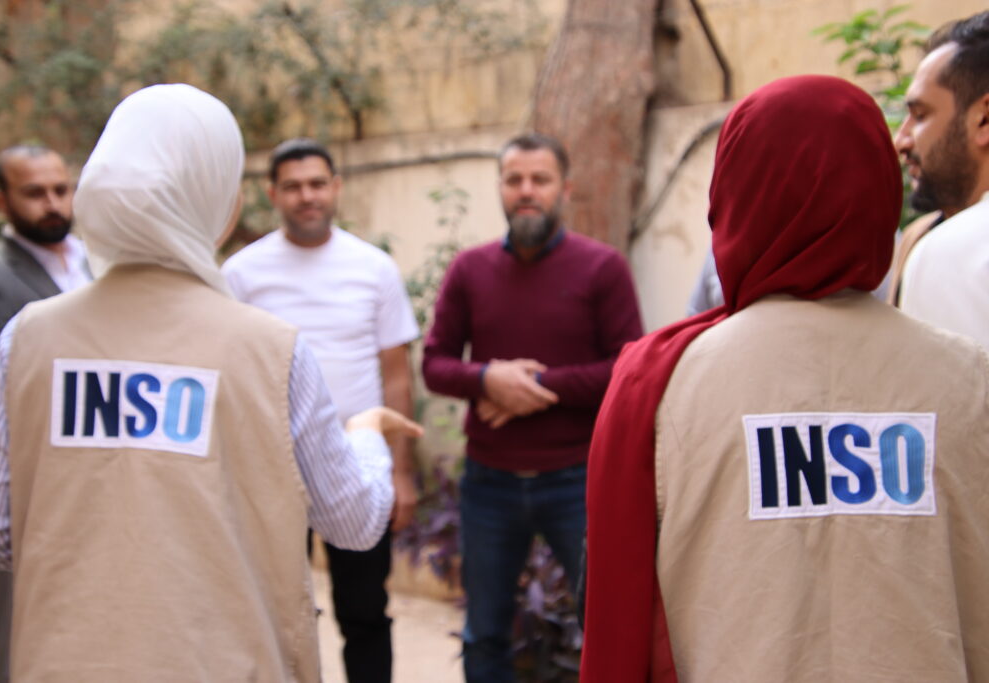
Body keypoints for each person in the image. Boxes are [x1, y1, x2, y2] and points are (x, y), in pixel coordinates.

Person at [0, 84, 421, 682]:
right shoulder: (268, 347)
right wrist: (364, 433)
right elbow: (354, 523)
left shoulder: (28, 338)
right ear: (218, 200)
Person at [581, 74, 989, 682]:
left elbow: (621, 627)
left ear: (733, 199)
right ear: (878, 195)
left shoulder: (662, 386)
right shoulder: (972, 380)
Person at [422, 132, 643, 682]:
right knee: (485, 633)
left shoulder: (603, 268)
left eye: (539, 180)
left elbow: (627, 368)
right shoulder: (468, 270)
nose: (526, 191)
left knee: (608, 625)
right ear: (500, 187)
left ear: (564, 189)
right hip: (488, 484)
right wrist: (486, 377)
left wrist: (535, 387)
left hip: (577, 480)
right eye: (514, 179)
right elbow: (434, 364)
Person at [222, 138, 419, 683]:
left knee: (364, 613)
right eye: (292, 186)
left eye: (316, 184)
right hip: (269, 472)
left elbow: (397, 374)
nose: (306, 196)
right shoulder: (240, 274)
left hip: (357, 464)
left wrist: (400, 472)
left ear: (335, 188)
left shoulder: (374, 268)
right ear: (272, 194)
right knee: (274, 613)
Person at [0, 144, 90, 683]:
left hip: (104, 492)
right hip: (31, 499)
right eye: (34, 193)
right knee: (24, 646)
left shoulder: (95, 260)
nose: (53, 204)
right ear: (3, 200)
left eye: (60, 189)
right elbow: (4, 406)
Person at [898, 12, 989, 340]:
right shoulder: (920, 240)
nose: (901, 140)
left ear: (983, 119)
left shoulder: (944, 255)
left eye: (920, 116)